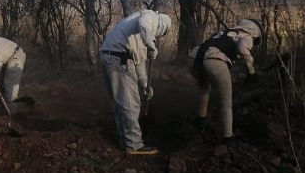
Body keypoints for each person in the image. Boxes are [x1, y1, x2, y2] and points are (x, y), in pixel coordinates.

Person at [100, 9, 172, 155]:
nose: (159, 35)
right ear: (162, 25)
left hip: (109, 55)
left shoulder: (138, 32)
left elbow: (139, 62)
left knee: (119, 102)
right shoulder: (151, 16)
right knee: (130, 103)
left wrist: (145, 85)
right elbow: (144, 23)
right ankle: (133, 144)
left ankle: (125, 141)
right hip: (120, 58)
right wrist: (151, 43)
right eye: (162, 33)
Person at [187, 18, 263, 143]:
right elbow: (243, 49)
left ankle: (200, 120)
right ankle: (228, 137)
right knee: (226, 103)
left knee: (204, 89)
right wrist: (252, 72)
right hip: (213, 60)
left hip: (194, 59)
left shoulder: (224, 33)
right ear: (255, 33)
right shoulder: (247, 35)